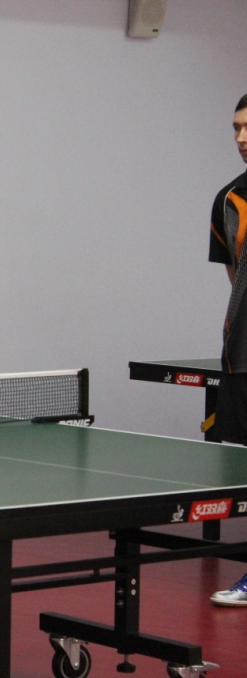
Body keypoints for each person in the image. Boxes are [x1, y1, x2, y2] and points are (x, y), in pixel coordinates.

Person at [208, 93, 247, 607]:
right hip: (242, 359)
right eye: (236, 127)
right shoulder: (228, 198)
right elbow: (234, 275)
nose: (241, 137)